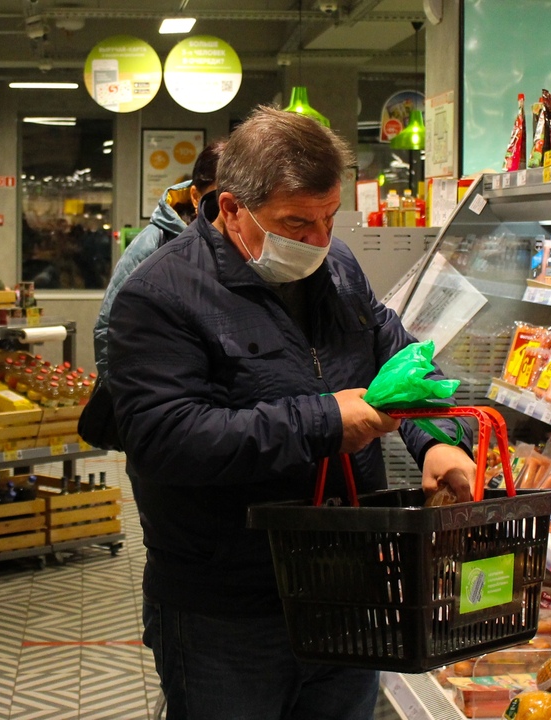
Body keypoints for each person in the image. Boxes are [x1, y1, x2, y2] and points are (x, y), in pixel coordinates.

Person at [106, 106, 478, 719]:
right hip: (228, 608)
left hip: (350, 587)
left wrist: (439, 440)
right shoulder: (160, 296)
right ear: (231, 209)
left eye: (330, 218)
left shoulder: (339, 272)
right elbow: (163, 439)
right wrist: (326, 422)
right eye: (295, 223)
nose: (319, 240)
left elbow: (402, 358)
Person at [94, 139, 224, 379]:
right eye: (218, 202)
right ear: (195, 196)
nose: (228, 215)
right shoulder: (153, 243)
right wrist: (133, 399)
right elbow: (108, 330)